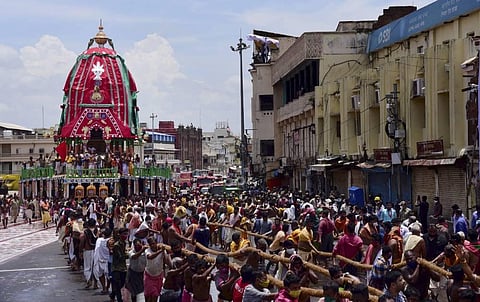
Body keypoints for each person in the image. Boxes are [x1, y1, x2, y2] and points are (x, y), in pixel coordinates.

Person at [144, 236, 166, 302]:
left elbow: (166, 260)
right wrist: (160, 251)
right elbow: (150, 257)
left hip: (158, 276)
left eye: (153, 243)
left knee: (155, 296)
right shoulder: (147, 251)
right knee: (149, 296)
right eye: (151, 244)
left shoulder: (162, 251)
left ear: (156, 243)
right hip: (149, 276)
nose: (152, 245)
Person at [110, 227, 129, 302]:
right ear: (120, 235)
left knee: (121, 284)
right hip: (116, 268)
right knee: (118, 286)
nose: (126, 236)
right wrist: (130, 254)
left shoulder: (124, 243)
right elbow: (121, 257)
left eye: (126, 234)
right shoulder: (116, 245)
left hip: (123, 268)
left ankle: (112, 295)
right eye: (124, 234)